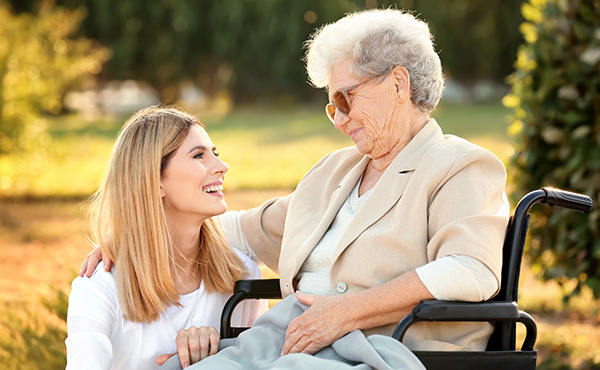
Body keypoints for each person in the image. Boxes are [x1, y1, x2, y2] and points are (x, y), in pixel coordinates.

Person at [82, 8, 509, 368]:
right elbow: (241, 230)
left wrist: (346, 312)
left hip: (385, 351)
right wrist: (133, 233)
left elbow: (470, 269)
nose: (339, 120)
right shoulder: (335, 171)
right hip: (288, 343)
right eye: (331, 107)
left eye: (345, 99)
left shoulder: (459, 165)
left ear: (398, 84)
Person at [66, 107, 267, 370]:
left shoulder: (241, 275)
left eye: (215, 154)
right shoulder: (99, 287)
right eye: (199, 156)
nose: (222, 167)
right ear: (155, 180)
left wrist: (218, 360)